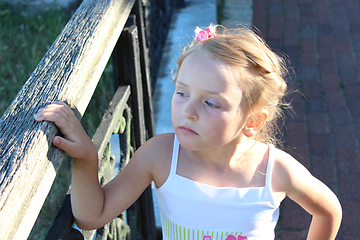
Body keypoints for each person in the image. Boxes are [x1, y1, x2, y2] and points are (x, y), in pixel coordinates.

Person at [34, 25, 342, 240]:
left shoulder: (275, 170)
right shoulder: (161, 155)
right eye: (182, 93)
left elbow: (329, 211)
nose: (188, 111)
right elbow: (93, 215)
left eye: (210, 102)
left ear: (252, 121)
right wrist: (87, 158)